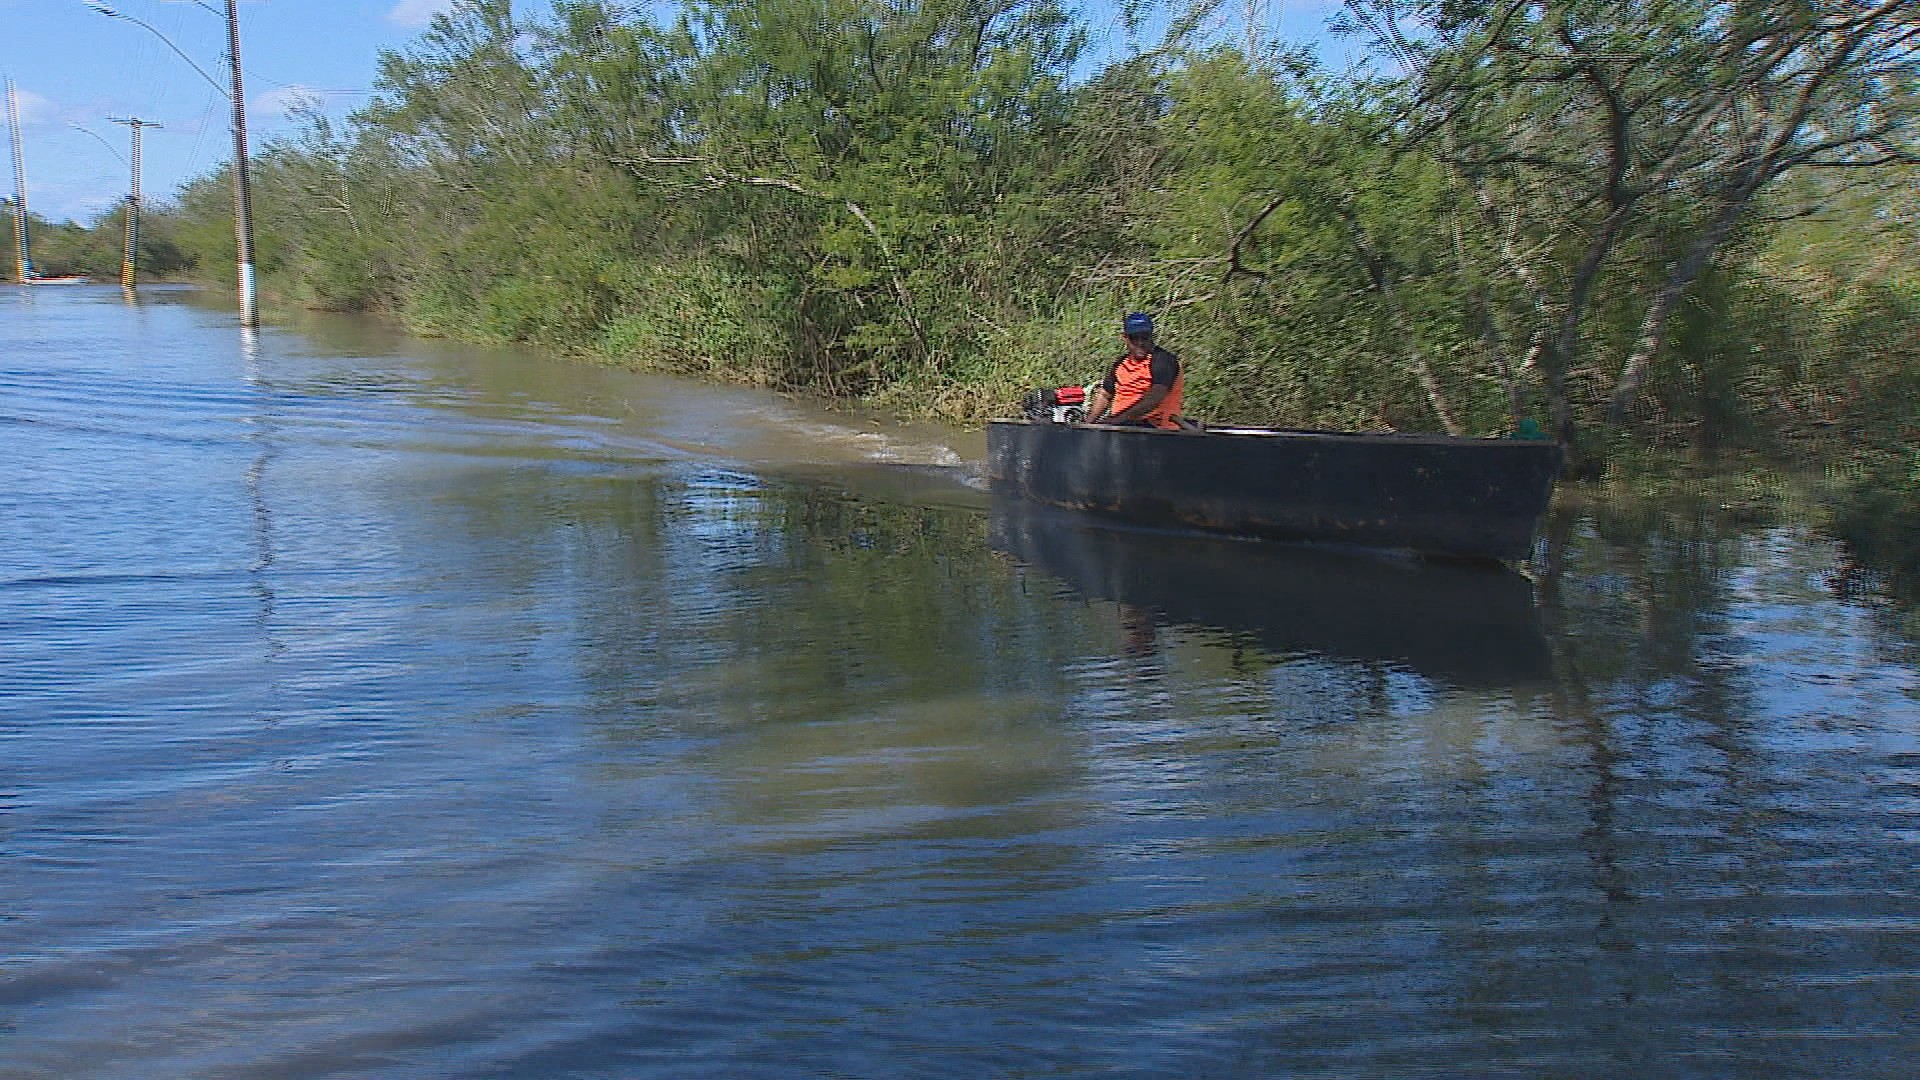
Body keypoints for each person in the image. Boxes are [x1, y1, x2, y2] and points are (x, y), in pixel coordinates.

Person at [1087, 312, 1184, 428]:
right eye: (1134, 338)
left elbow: (1155, 397)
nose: (1140, 343)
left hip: (1156, 430)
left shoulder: (1163, 361)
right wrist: (1087, 424)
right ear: (1125, 338)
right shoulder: (1120, 364)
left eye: (1144, 337)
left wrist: (1117, 420)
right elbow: (1104, 395)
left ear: (1151, 336)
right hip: (1121, 428)